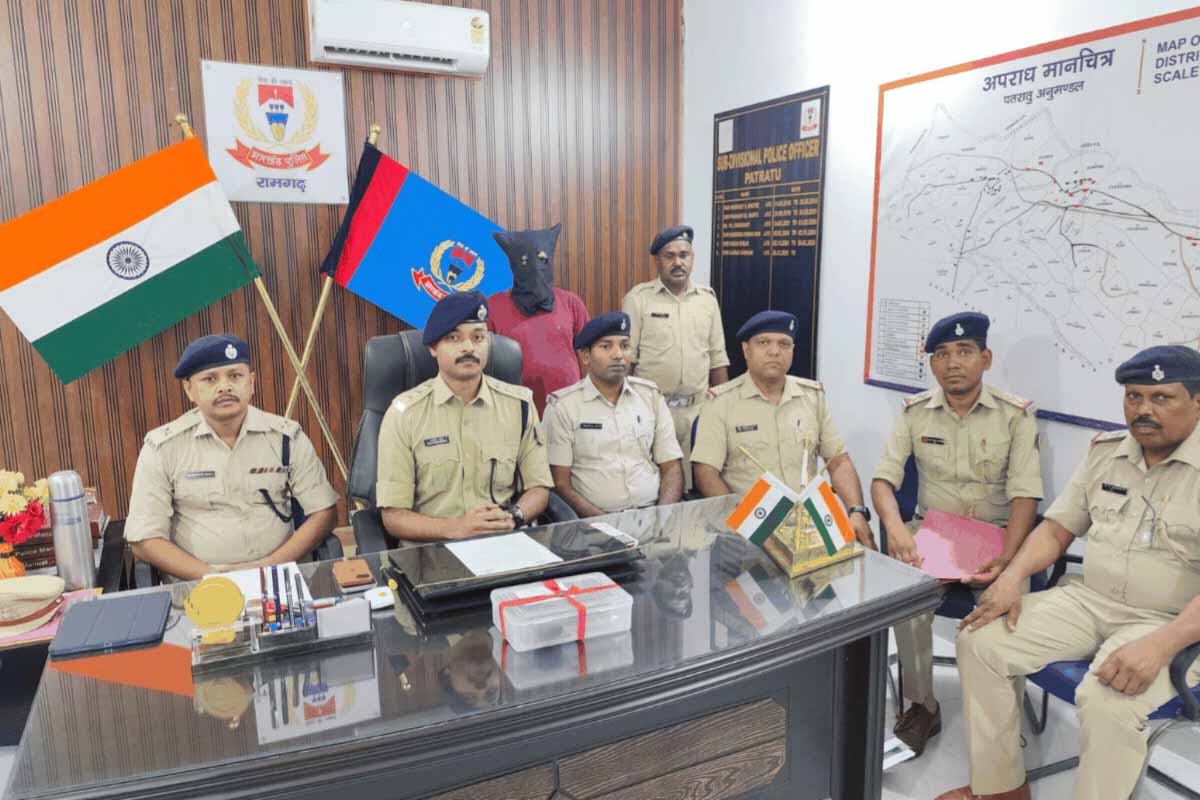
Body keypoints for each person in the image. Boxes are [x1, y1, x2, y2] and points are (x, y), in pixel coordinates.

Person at [937, 345, 1200, 800]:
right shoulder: (1106, 453)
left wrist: (1161, 645)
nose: (1143, 410)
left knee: (1108, 701)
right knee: (979, 639)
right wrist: (1011, 577)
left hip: (1172, 623)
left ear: (1197, 401)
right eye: (1134, 397)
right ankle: (1001, 789)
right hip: (1089, 600)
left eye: (1162, 398)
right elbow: (1057, 529)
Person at [870, 312, 1043, 756]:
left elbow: (1026, 496)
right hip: (933, 534)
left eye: (965, 352)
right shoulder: (914, 413)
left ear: (985, 358)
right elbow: (883, 482)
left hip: (996, 538)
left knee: (1006, 606)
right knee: (906, 598)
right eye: (942, 354)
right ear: (932, 364)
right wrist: (896, 531)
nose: (952, 363)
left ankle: (1001, 719)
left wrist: (1008, 559)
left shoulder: (1015, 416)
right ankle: (922, 706)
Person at [125, 334, 338, 581]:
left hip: (276, 576)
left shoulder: (286, 438)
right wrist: (214, 577)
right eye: (210, 379)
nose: (224, 387)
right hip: (199, 584)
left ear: (252, 382)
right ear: (189, 389)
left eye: (235, 376)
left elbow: (324, 513)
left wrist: (266, 567)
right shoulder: (163, 448)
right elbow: (144, 538)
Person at [376, 291, 551, 543]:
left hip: (502, 540)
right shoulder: (404, 414)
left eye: (478, 337)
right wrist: (456, 528)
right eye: (453, 338)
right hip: (433, 549)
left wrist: (513, 517)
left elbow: (539, 487)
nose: (469, 347)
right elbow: (393, 516)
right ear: (433, 347)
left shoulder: (520, 405)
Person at [691, 310, 873, 547]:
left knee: (855, 563)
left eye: (784, 344)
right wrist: (745, 525)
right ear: (746, 350)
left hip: (810, 527)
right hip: (749, 532)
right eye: (763, 342)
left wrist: (856, 511)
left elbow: (838, 461)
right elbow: (706, 473)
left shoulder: (812, 398)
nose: (775, 351)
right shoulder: (721, 403)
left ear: (792, 351)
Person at [544, 311, 683, 517]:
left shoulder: (650, 396)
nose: (618, 355)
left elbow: (671, 466)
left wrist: (662, 516)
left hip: (653, 515)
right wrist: (605, 525)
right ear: (585, 356)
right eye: (606, 346)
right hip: (594, 522)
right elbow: (561, 484)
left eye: (624, 346)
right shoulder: (563, 407)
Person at [622, 225, 729, 486]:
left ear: (692, 258)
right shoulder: (639, 299)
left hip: (698, 410)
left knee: (699, 483)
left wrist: (724, 409)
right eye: (669, 256)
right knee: (657, 484)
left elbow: (717, 359)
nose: (678, 262)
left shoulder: (707, 299)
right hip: (653, 409)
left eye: (684, 255)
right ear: (657, 261)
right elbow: (626, 360)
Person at [486, 224, 590, 415]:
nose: (535, 267)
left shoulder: (571, 303)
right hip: (515, 412)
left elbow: (589, 355)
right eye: (524, 261)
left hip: (568, 411)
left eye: (542, 260)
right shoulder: (492, 307)